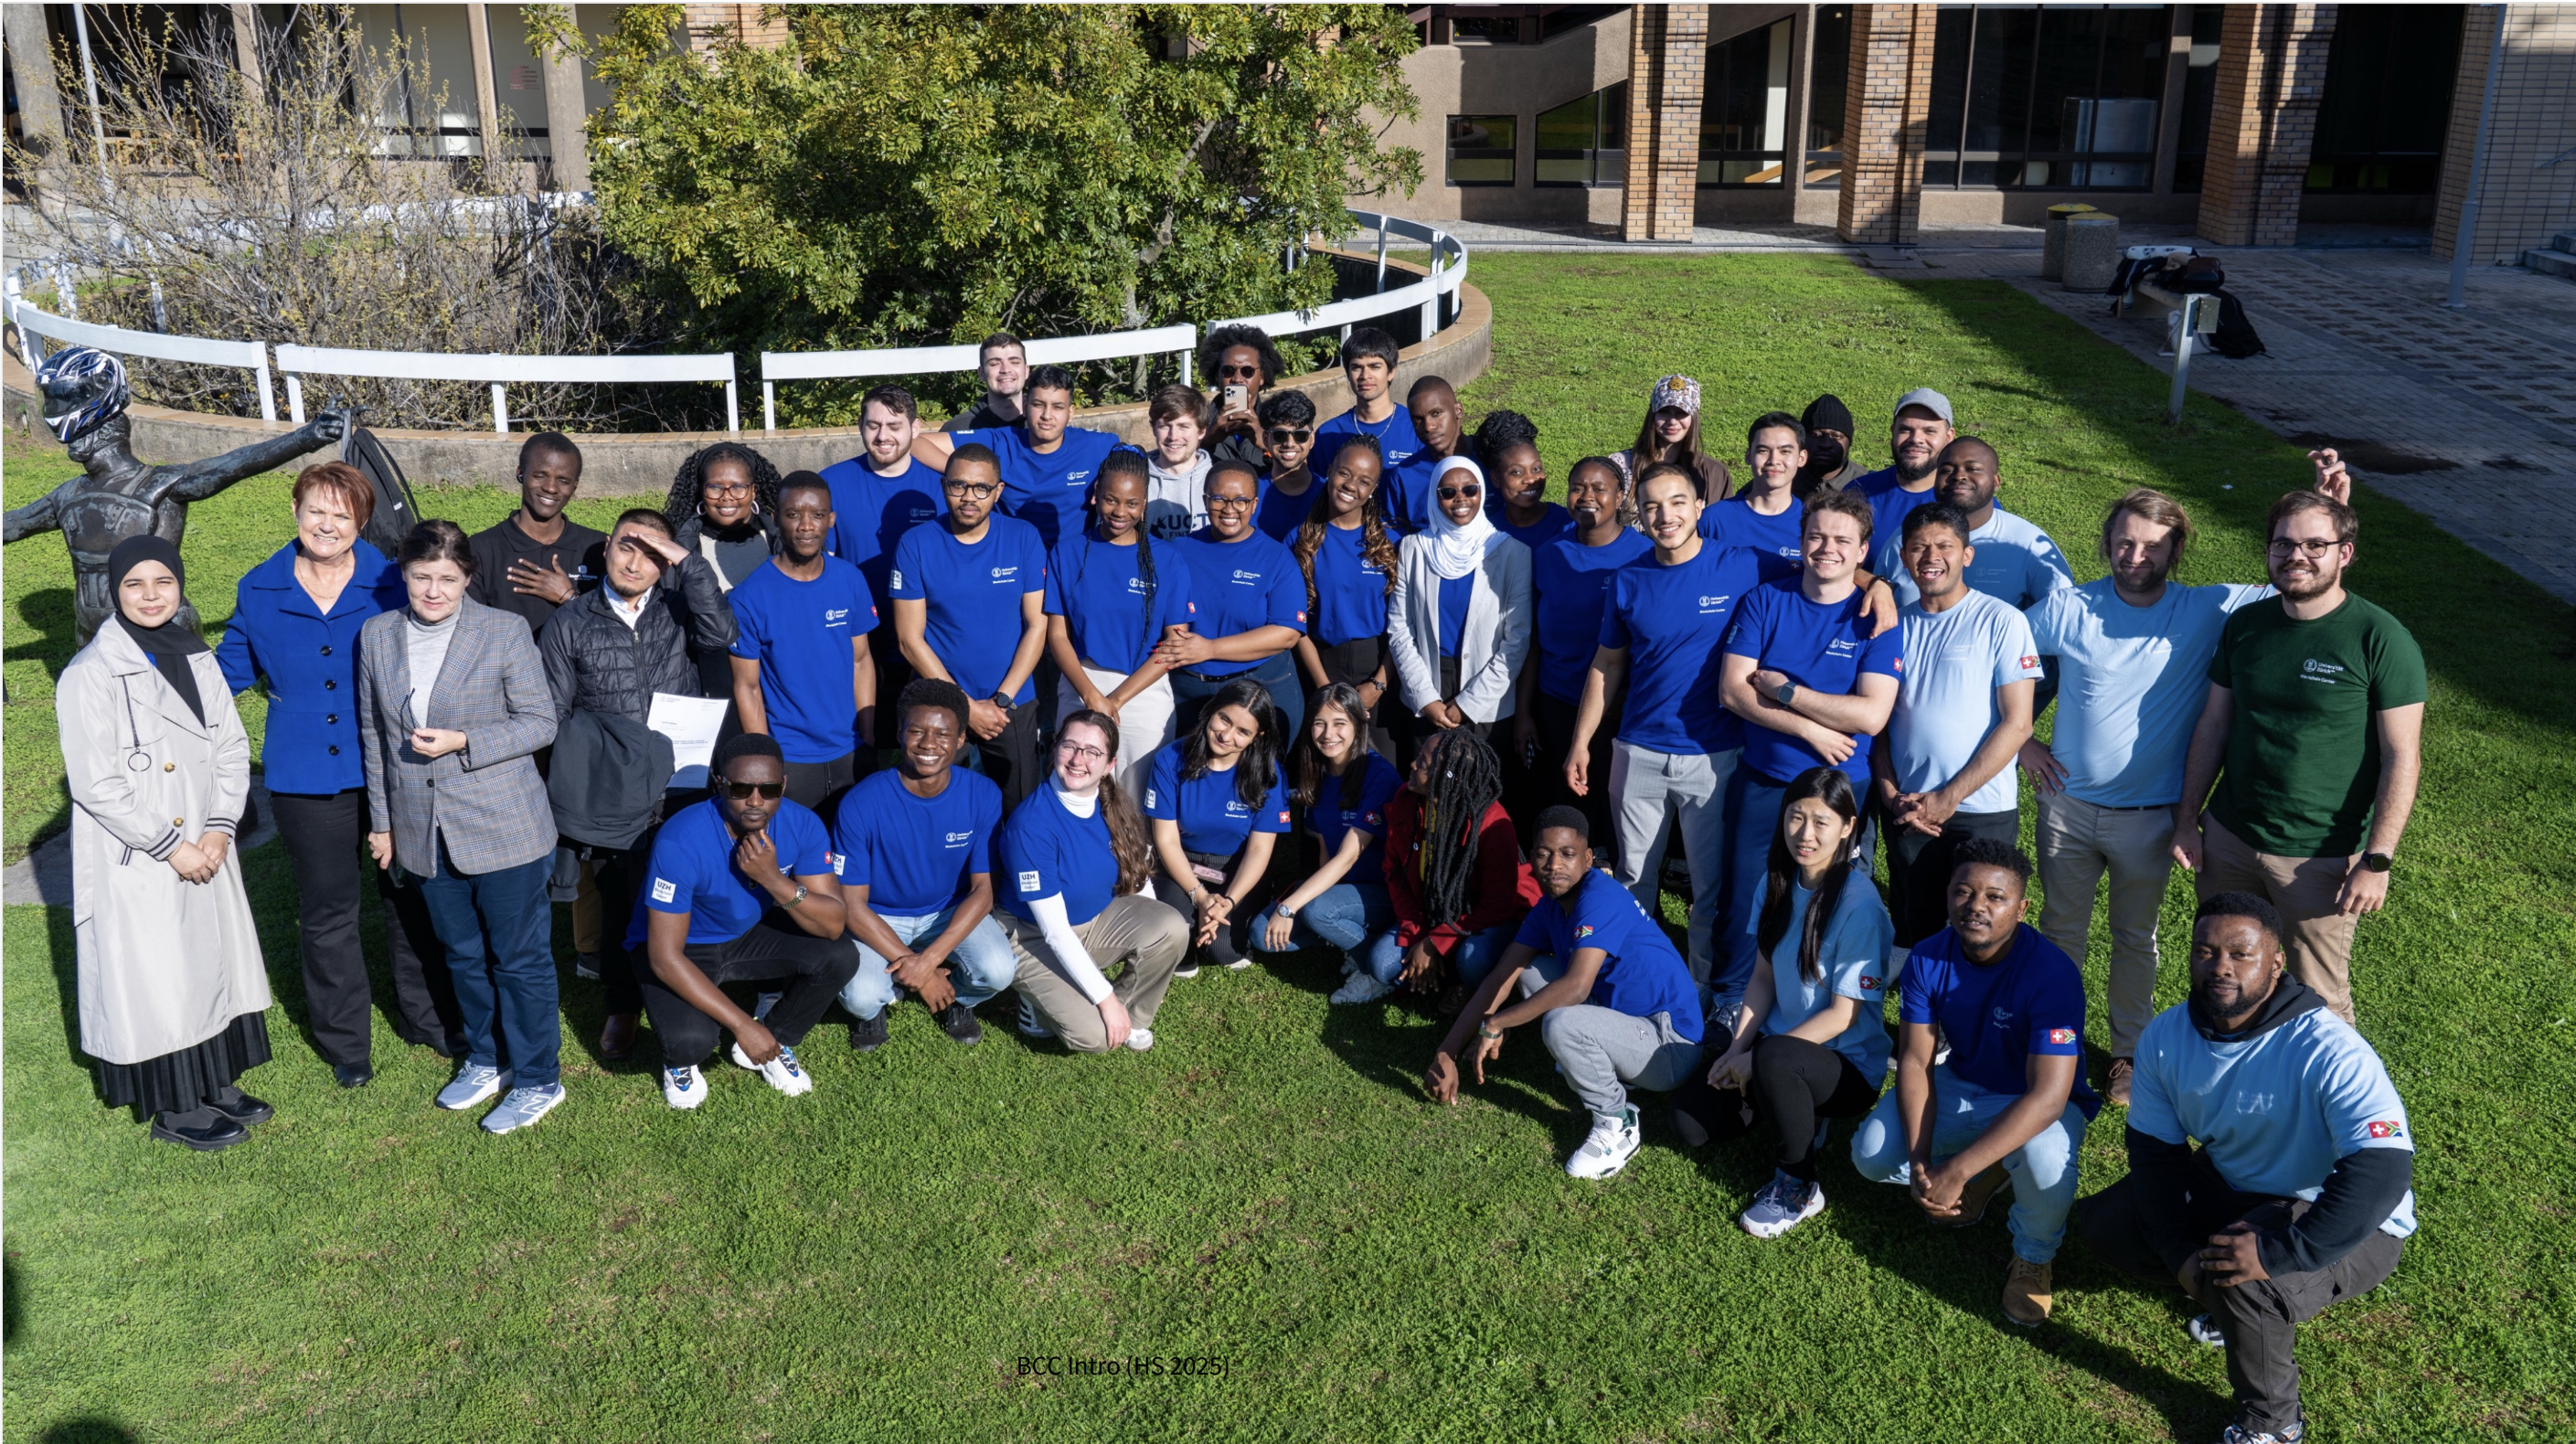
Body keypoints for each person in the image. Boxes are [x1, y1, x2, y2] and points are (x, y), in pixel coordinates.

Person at [2079, 892, 2416, 1444]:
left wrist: (2278, 1253)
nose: (2221, 968)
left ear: (2276, 962)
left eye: (2241, 954)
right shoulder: (2165, 1037)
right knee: (2106, 1225)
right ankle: (2229, 1305)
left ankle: (2273, 1423)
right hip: (2233, 1183)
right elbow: (2155, 1159)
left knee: (2247, 1277)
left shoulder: (2330, 1049)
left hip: (2350, 1218)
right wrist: (2179, 1254)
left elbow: (2379, 1175)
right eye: (2206, 952)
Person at [2023, 483, 2296, 1105]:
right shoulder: (2071, 607)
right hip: (2065, 808)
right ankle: (2054, 1042)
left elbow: (2294, 582)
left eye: (2152, 545)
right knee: (2060, 930)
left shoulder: (2205, 608)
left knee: (2133, 938)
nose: (2135, 556)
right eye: (2124, 542)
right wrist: (2021, 741)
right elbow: (1995, 650)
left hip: (2152, 819)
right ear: (2107, 544)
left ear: (2176, 551)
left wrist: (2326, 505)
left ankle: (2126, 1054)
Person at [216, 462, 453, 1086]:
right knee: (327, 912)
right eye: (316, 510)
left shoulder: (391, 583)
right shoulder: (259, 588)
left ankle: (425, 1016)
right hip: (302, 779)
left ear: (362, 521)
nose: (328, 524)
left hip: (391, 767)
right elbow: (224, 674)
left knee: (409, 895)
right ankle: (346, 1043)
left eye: (342, 514)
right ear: (295, 511)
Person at [2172, 479, 2422, 1028]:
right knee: (2225, 978)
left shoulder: (2379, 638)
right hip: (2230, 843)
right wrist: (2189, 820)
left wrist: (2377, 859)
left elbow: (2402, 756)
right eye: (2283, 544)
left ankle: (2325, 1110)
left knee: (2319, 1003)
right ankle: (2226, 1091)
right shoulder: (2246, 625)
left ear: (2345, 554)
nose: (2297, 557)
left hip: (2319, 861)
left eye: (2315, 545)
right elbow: (2214, 725)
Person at [59, 536, 273, 1151]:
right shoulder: (90, 674)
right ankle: (176, 1106)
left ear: (180, 586)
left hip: (207, 841)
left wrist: (218, 827)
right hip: (142, 856)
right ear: (114, 592)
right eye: (134, 585)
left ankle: (217, 1082)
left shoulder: (196, 656)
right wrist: (170, 845)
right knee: (163, 979)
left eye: (163, 582)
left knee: (212, 964)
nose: (151, 596)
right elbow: (95, 784)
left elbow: (230, 747)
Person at [358, 521, 564, 1135]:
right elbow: (375, 735)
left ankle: (537, 1078)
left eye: (447, 579)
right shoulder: (377, 636)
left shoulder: (502, 632)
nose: (434, 591)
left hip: (505, 825)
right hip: (423, 829)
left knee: (518, 960)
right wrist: (384, 822)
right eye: (422, 577)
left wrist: (465, 741)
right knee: (462, 956)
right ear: (404, 573)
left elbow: (540, 722)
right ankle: (486, 1056)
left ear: (467, 577)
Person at [1849, 839, 2097, 1328]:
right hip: (1962, 1082)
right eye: (1963, 892)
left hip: (2037, 1101)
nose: (1976, 906)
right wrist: (1922, 1163)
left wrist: (1958, 1170)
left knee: (2044, 1158)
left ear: (2022, 908)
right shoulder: (1927, 957)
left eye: (1995, 897)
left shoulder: (2054, 974)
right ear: (1948, 896)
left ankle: (2033, 1256)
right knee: (1871, 1156)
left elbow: (2048, 1096)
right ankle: (1992, 1167)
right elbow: (1917, 1061)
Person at [538, 507, 738, 1061]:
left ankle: (691, 991)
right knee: (621, 904)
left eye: (653, 554)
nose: (636, 562)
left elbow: (723, 631)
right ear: (607, 547)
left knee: (679, 895)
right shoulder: (570, 622)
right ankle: (622, 1004)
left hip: (680, 782)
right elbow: (552, 714)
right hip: (609, 786)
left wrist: (684, 562)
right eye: (628, 546)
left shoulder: (679, 609)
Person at [1669, 769, 1895, 1237]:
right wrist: (1736, 1049)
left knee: (1774, 1058)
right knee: (1690, 1124)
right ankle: (1788, 1108)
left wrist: (1757, 1059)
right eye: (1795, 818)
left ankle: (1799, 1186)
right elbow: (1764, 976)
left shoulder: (1861, 905)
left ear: (1848, 827)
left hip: (1845, 1064)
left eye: (1821, 822)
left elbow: (1842, 1014)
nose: (1805, 835)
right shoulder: (1775, 881)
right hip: (1776, 1047)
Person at [1424, 807, 1707, 1182]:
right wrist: (1447, 1052)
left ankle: (1617, 1124)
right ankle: (1597, 1060)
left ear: (1588, 858)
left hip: (1668, 1044)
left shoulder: (1599, 897)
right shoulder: (1549, 908)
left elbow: (1576, 986)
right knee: (1528, 972)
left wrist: (1499, 1022)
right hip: (1628, 1019)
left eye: (1567, 854)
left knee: (1561, 1021)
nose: (1554, 864)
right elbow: (1499, 979)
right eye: (1543, 853)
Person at [1565, 462, 1762, 994]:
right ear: (1639, 514)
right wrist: (1582, 741)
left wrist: (1877, 584)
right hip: (1638, 753)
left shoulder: (1742, 566)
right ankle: (1641, 984)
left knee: (1708, 889)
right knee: (1634, 882)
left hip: (1715, 756)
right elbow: (1607, 665)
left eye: (1677, 502)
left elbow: (1822, 571)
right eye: (1651, 505)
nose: (1665, 515)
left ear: (1700, 506)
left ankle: (1697, 994)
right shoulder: (1628, 579)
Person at [1717, 489, 1902, 1020]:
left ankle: (1825, 1001)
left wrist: (1786, 691)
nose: (1828, 548)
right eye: (1816, 536)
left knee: (1832, 896)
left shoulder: (1877, 622)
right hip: (1766, 775)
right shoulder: (1765, 601)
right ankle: (1732, 998)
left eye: (1842, 540)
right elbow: (1732, 691)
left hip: (1842, 789)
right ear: (1800, 542)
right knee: (1746, 891)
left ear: (1863, 550)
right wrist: (1812, 731)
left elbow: (1871, 717)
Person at [633, 733, 857, 1108]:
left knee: (841, 956)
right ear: (719, 785)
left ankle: (775, 1039)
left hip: (747, 934)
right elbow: (663, 957)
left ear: (783, 784)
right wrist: (742, 1025)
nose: (755, 801)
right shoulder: (679, 840)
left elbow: (833, 924)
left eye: (768, 789)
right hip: (683, 947)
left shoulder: (804, 825)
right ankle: (680, 1063)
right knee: (692, 1043)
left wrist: (774, 879)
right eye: (740, 789)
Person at [1872, 503, 2041, 957]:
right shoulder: (1894, 627)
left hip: (1980, 810)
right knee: (1917, 927)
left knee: (1980, 933)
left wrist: (1949, 798)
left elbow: (2018, 722)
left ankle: (1971, 1024)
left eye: (1944, 546)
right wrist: (1890, 794)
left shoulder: (2003, 621)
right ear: (1904, 557)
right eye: (1918, 547)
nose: (1931, 556)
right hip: (1910, 811)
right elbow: (1879, 725)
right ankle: (1919, 1024)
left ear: (1967, 554)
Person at [831, 679, 1017, 1051]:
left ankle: (957, 999)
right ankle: (886, 999)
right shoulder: (860, 802)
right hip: (879, 917)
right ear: (900, 733)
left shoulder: (982, 794)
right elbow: (850, 904)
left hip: (947, 911)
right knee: (861, 998)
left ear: (961, 738)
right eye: (916, 731)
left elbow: (984, 889)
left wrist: (929, 959)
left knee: (998, 971)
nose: (929, 744)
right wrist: (919, 968)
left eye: (942, 734)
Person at [998, 711, 1190, 1053]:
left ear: (1109, 764)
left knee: (1171, 926)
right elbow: (1054, 931)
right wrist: (1104, 1000)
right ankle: (1034, 996)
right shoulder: (1031, 826)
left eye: (1092, 752)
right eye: (1069, 746)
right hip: (1033, 937)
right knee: (1096, 1038)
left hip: (1095, 920)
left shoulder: (1109, 803)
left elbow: (1139, 878)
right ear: (1053, 748)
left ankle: (1129, 1014)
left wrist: (1152, 932)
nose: (1077, 760)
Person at [889, 445, 1052, 811]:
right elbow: (908, 639)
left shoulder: (1023, 537)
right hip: (937, 705)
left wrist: (1003, 699)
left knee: (1019, 809)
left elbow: (1037, 625)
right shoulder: (915, 544)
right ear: (944, 485)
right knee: (930, 807)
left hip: (1010, 705)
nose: (968, 497)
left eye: (981, 488)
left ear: (998, 491)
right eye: (958, 486)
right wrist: (963, 706)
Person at [1344, 727, 1540, 1006]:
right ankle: (1440, 977)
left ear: (1450, 780)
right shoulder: (1407, 799)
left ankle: (1473, 988)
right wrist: (1419, 934)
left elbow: (1497, 906)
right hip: (1430, 915)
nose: (1412, 765)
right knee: (1382, 964)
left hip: (1488, 922)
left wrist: (1435, 944)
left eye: (1423, 763)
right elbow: (1395, 873)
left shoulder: (1493, 824)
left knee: (1474, 960)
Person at [1512, 457, 1648, 856]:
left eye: (1599, 488)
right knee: (1565, 809)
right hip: (1556, 703)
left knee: (1614, 814)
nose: (1587, 496)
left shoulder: (1642, 556)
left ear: (1620, 497)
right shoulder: (1550, 553)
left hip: (1618, 710)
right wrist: (1524, 712)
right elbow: (1534, 639)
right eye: (1578, 487)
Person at [1044, 449, 1196, 800]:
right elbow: (1057, 635)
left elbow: (1175, 644)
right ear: (1096, 493)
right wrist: (1091, 694)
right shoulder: (1067, 552)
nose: (1120, 512)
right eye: (1111, 500)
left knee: (1136, 797)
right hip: (1081, 683)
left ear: (1145, 504)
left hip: (1144, 690)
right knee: (1075, 789)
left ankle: (1137, 858)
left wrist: (1115, 699)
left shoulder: (1168, 559)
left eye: (1132, 503)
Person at [726, 472, 878, 812]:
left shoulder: (850, 579)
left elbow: (861, 661)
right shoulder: (749, 597)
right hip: (790, 758)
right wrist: (767, 763)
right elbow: (747, 688)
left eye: (818, 515)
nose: (806, 526)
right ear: (776, 519)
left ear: (831, 520)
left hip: (852, 751)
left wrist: (868, 738)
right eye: (793, 514)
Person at [1144, 679, 1293, 976]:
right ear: (1211, 711)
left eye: (1243, 731)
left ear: (1257, 737)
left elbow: (1260, 849)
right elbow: (1167, 840)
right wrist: (1200, 897)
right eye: (1224, 719)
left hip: (1236, 869)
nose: (1226, 735)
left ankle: (1225, 921)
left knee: (1225, 951)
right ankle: (1188, 927)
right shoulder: (1170, 758)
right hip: (1182, 863)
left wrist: (1226, 902)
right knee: (1177, 941)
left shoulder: (1269, 773)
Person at [1254, 684, 1405, 974]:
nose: (1328, 734)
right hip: (1341, 890)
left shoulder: (1380, 775)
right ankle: (1339, 930)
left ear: (1358, 725)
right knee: (1261, 932)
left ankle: (1366, 964)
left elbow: (1348, 856)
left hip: (1382, 892)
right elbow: (1325, 850)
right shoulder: (1317, 774)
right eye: (1319, 724)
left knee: (1317, 909)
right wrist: (1317, 898)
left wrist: (1290, 908)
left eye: (1339, 723)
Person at [1158, 460, 1310, 740]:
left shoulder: (1276, 558)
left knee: (1259, 779)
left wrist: (1210, 648)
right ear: (1205, 500)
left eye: (1241, 501)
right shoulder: (1178, 551)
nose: (1230, 509)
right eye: (1219, 499)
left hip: (1260, 687)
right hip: (1189, 691)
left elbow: (1287, 634)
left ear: (1254, 504)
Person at [1387, 455, 1532, 746]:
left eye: (1470, 489)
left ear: (1482, 492)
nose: (1460, 498)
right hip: (1427, 690)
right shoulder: (1413, 549)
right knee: (1426, 787)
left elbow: (1516, 641)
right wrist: (1425, 697)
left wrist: (1470, 703)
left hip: (1487, 698)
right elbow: (1400, 629)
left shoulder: (1514, 553)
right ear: (1435, 497)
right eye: (1448, 492)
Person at [918, 364, 1123, 553]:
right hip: (1012, 561)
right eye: (1038, 404)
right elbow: (917, 443)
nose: (1047, 415)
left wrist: (1111, 480)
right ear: (1025, 406)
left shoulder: (1096, 446)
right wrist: (969, 476)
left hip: (1071, 561)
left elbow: (1135, 458)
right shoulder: (1000, 442)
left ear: (1070, 413)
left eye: (1058, 407)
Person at [1288, 435, 1400, 752]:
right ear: (1329, 470)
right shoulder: (1298, 540)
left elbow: (1404, 626)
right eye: (1344, 473)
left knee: (1380, 770)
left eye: (1365, 480)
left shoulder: (1391, 542)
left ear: (1375, 488)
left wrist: (1379, 684)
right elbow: (1296, 625)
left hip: (1377, 666)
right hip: (1319, 665)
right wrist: (1326, 691)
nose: (1351, 485)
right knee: (1323, 768)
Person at [1879, 437, 2072, 611]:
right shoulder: (1904, 539)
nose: (1958, 476)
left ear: (1996, 482)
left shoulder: (2026, 542)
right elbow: (1872, 594)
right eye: (1946, 470)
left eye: (1973, 469)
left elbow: (2063, 613)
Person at [466, 432, 603, 636]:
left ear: (575, 486)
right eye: (540, 476)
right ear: (520, 473)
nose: (550, 488)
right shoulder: (480, 549)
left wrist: (570, 598)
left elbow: (617, 630)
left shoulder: (598, 548)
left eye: (563, 480)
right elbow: (469, 631)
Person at [1310, 328, 1422, 504]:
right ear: (1348, 373)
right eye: (1356, 367)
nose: (1365, 376)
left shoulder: (1416, 427)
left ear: (1391, 371)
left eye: (1375, 366)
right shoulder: (1327, 434)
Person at [1848, 388, 1953, 572]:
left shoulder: (1966, 499)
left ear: (1949, 437)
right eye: (1905, 429)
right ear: (1893, 432)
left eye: (1929, 431)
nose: (1916, 439)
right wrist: (1872, 582)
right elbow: (1831, 559)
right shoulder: (1859, 492)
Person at [1701, 411, 1808, 580]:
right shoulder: (1713, 520)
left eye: (1785, 451)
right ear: (1748, 456)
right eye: (1763, 450)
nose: (1774, 460)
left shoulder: (1812, 522)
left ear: (1801, 458)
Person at [1610, 374, 1730, 502]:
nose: (1672, 421)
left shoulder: (1714, 473)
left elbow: (1723, 520)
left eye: (1681, 412)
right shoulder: (1621, 465)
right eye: (1665, 411)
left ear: (1694, 417)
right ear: (1653, 415)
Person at [1378, 375, 1466, 534]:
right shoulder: (1403, 477)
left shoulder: (1489, 461)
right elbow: (1393, 540)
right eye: (1418, 419)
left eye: (1436, 413)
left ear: (1458, 410)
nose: (1428, 426)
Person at [1475, 409, 1570, 552]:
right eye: (1517, 472)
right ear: (1496, 479)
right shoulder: (1488, 532)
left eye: (1537, 469)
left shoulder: (1567, 524)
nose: (1531, 479)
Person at [1200, 323, 1286, 474]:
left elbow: (1297, 474)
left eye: (1247, 371)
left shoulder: (1279, 422)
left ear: (1262, 377)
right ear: (1216, 375)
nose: (1237, 379)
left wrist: (1266, 442)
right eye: (1228, 370)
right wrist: (1208, 440)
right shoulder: (1198, 421)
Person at [1142, 383, 1214, 543]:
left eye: (1183, 427)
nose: (1173, 436)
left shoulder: (1218, 480)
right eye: (1165, 426)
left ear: (1202, 430)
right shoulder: (1133, 479)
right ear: (1154, 429)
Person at [1250, 389, 1321, 543]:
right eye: (1280, 435)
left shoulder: (1329, 494)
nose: (1289, 444)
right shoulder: (1250, 495)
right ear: (1266, 438)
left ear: (1312, 439)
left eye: (1300, 435)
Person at [942, 332, 1027, 433]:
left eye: (1014, 362)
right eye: (994, 363)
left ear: (1026, 371)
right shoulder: (956, 429)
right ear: (981, 373)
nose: (1006, 369)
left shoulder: (1045, 427)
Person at [1794, 394, 1865, 496]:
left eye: (1836, 436)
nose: (1825, 444)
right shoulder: (1784, 479)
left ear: (1849, 442)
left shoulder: (1866, 484)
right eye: (1816, 434)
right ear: (1802, 439)